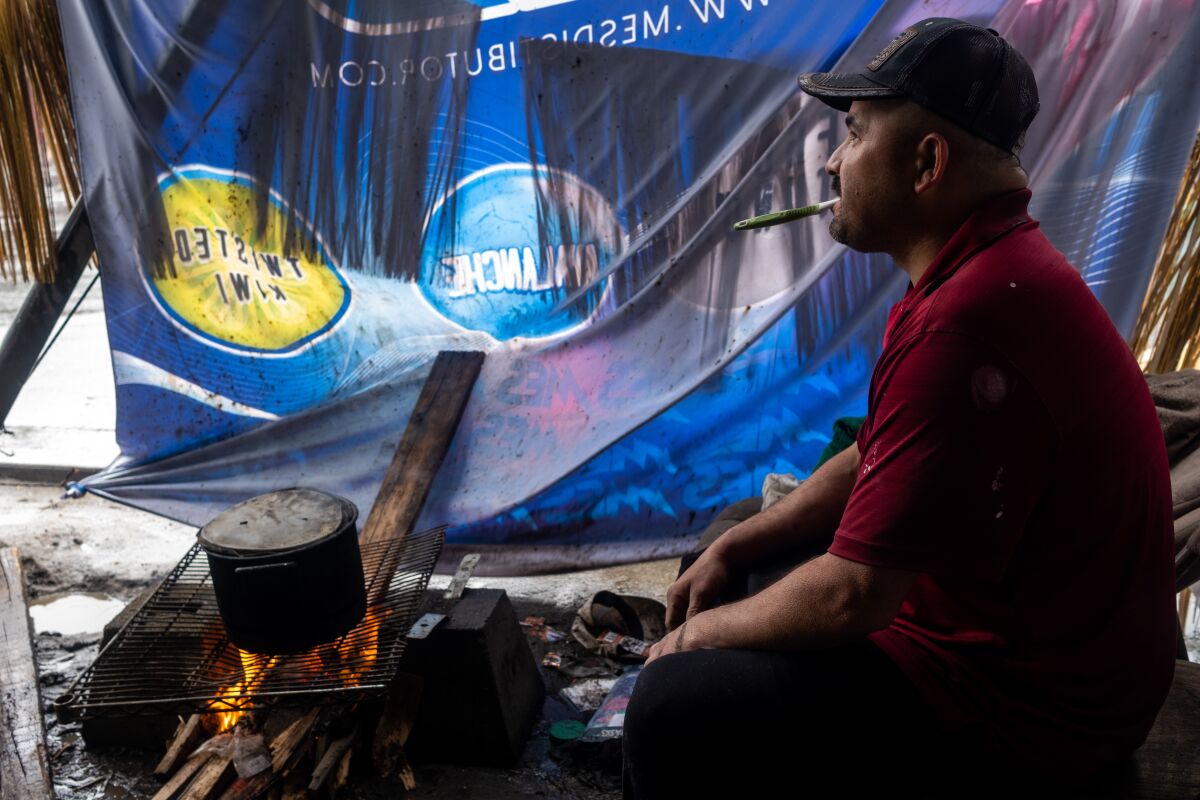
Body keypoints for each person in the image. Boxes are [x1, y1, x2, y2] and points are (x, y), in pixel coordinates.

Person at [622, 17, 1177, 798]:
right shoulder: (975, 270)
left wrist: (690, 644)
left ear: (926, 162)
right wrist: (738, 546)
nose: (834, 165)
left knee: (667, 708)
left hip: (1034, 717)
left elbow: (857, 594)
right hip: (1003, 652)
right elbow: (879, 451)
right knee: (724, 551)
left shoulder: (970, 323)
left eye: (852, 135)